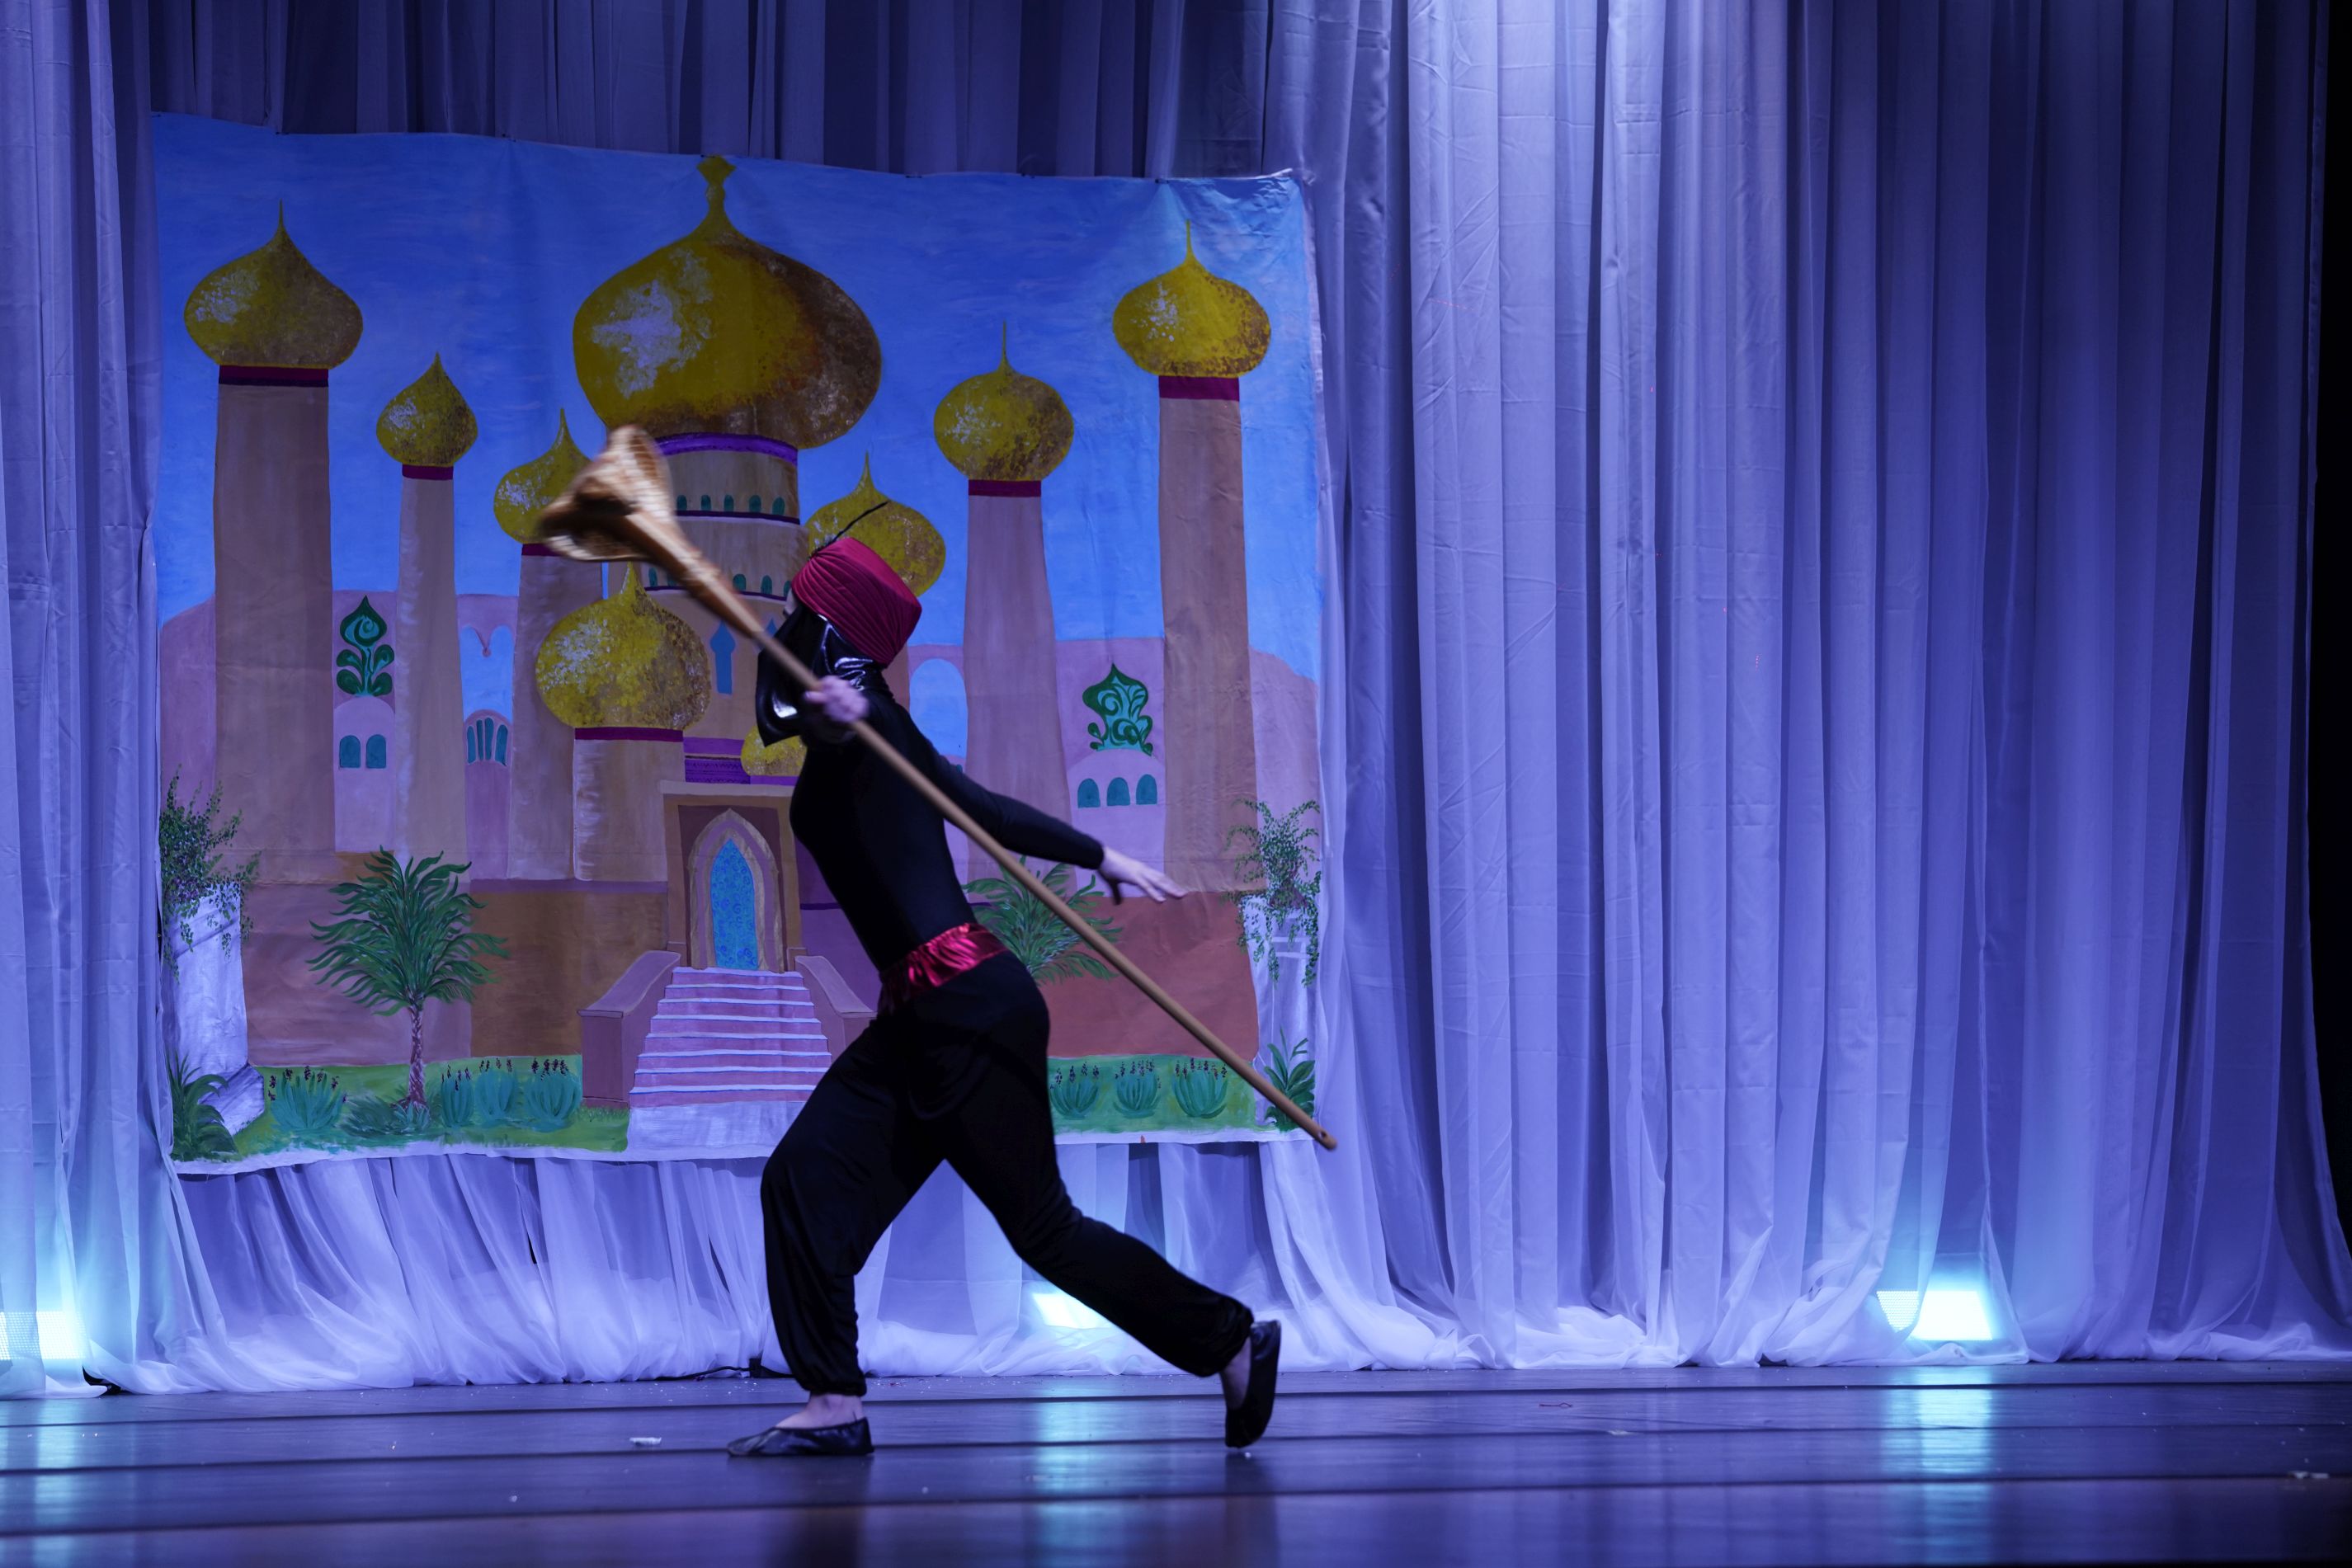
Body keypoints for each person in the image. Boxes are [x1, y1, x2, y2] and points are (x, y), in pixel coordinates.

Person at [728, 536, 1280, 1458]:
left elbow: (846, 722)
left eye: (800, 617)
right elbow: (977, 805)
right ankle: (833, 1398)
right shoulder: (881, 731)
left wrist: (841, 710)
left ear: (828, 639)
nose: (782, 630)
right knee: (804, 1177)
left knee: (1044, 1229)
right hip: (921, 1016)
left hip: (967, 1009)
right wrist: (1098, 853)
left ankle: (1229, 1339)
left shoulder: (871, 721)